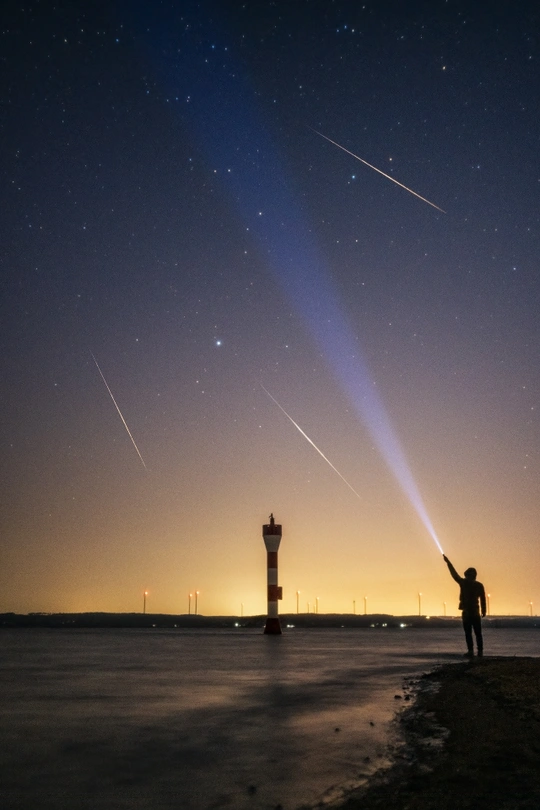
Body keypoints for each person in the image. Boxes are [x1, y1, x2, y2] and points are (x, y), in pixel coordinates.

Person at [443, 554, 486, 657]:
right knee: (473, 633)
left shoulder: (467, 583)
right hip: (472, 611)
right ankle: (475, 651)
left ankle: (475, 651)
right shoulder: (473, 584)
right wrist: (484, 611)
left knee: (473, 633)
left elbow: (455, 575)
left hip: (471, 612)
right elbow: (483, 599)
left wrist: (448, 563)